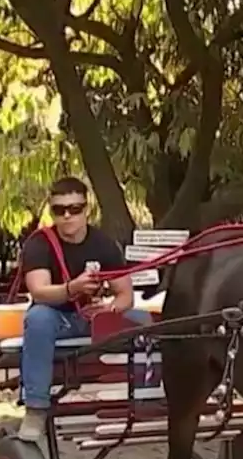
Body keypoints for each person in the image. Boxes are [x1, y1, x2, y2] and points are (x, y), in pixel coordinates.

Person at [16, 176, 150, 442]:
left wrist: (109, 310)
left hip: (92, 318)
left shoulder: (103, 243)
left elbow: (126, 295)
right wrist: (73, 288)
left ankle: (148, 396)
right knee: (38, 318)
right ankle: (36, 407)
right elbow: (39, 291)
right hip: (56, 318)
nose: (67, 216)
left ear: (86, 209)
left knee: (145, 320)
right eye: (59, 210)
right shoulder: (39, 243)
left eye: (74, 209)